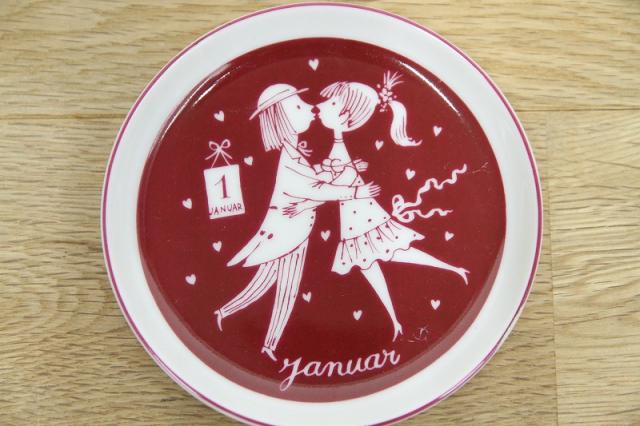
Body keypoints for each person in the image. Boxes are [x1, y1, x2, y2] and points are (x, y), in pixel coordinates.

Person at [288, 73, 468, 341]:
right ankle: (397, 319)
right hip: (355, 218)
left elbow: (334, 189)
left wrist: (303, 204)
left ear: (345, 116)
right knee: (379, 261)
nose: (320, 106)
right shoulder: (338, 147)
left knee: (394, 254)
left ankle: (449, 273)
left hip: (362, 216)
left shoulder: (339, 149)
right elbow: (333, 176)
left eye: (331, 103)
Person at [215, 84, 380, 361]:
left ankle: (236, 321)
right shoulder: (288, 159)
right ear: (281, 118)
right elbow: (313, 189)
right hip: (285, 233)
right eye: (299, 106)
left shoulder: (294, 154)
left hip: (295, 231)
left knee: (273, 283)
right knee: (281, 286)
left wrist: (342, 169)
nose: (311, 108)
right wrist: (356, 192)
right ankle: (261, 339)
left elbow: (312, 180)